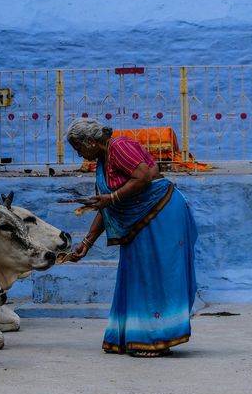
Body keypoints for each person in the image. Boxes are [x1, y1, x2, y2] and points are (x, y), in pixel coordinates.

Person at [66, 118, 198, 357]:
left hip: (161, 211)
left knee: (156, 274)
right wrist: (86, 243)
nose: (79, 155)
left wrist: (113, 198)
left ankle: (158, 338)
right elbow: (106, 206)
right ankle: (136, 334)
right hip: (137, 218)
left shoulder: (119, 146)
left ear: (91, 142)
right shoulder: (102, 161)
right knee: (136, 273)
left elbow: (144, 177)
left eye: (79, 149)